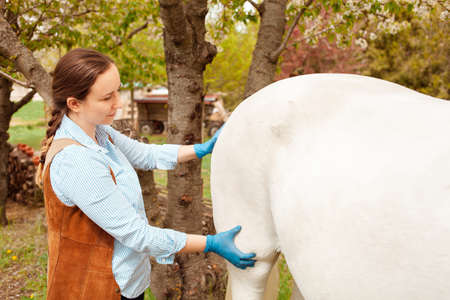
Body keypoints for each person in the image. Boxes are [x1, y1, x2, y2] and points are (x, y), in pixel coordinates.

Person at [34, 48, 256, 300]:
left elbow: (145, 154)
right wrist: (211, 243)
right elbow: (138, 234)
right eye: (107, 97)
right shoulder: (77, 161)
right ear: (74, 103)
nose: (118, 103)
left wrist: (201, 149)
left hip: (127, 282)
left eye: (117, 90)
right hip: (99, 290)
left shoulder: (99, 133)